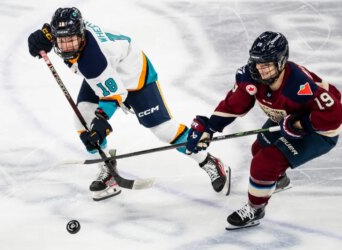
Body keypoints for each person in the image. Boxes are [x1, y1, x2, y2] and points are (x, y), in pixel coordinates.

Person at [27, 7, 231, 201]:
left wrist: (101, 121)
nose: (67, 47)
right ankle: (107, 167)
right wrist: (40, 36)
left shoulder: (94, 61)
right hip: (105, 76)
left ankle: (209, 161)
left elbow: (114, 95)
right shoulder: (69, 33)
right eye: (61, 41)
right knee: (82, 118)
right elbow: (51, 33)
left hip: (135, 79)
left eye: (71, 40)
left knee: (164, 130)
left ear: (80, 35)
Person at [186, 31, 342, 230]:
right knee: (258, 148)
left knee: (264, 163)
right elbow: (234, 105)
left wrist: (298, 124)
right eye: (258, 63)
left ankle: (256, 209)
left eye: (267, 64)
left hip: (319, 131)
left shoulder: (299, 85)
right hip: (287, 117)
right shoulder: (250, 77)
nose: (261, 70)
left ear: (282, 62)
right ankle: (279, 180)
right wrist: (209, 128)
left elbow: (334, 114)